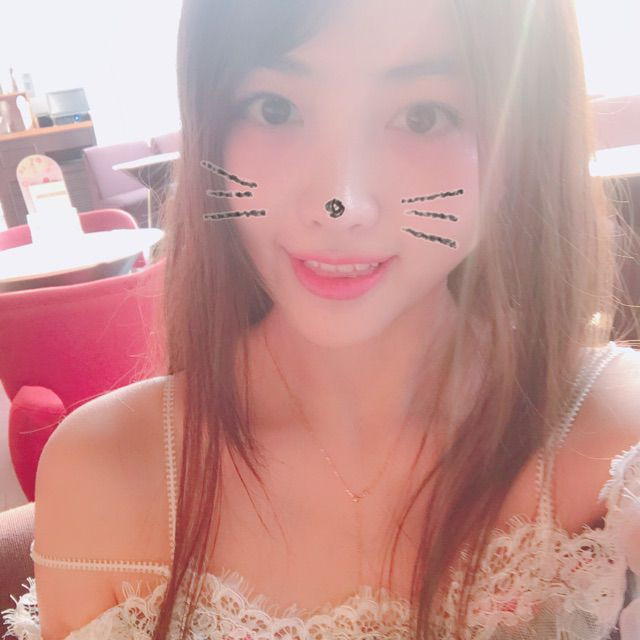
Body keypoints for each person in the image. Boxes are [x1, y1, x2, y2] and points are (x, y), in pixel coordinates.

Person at [3, 0, 640, 638]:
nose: (340, 204)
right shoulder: (106, 469)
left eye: (424, 115)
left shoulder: (614, 436)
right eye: (275, 108)